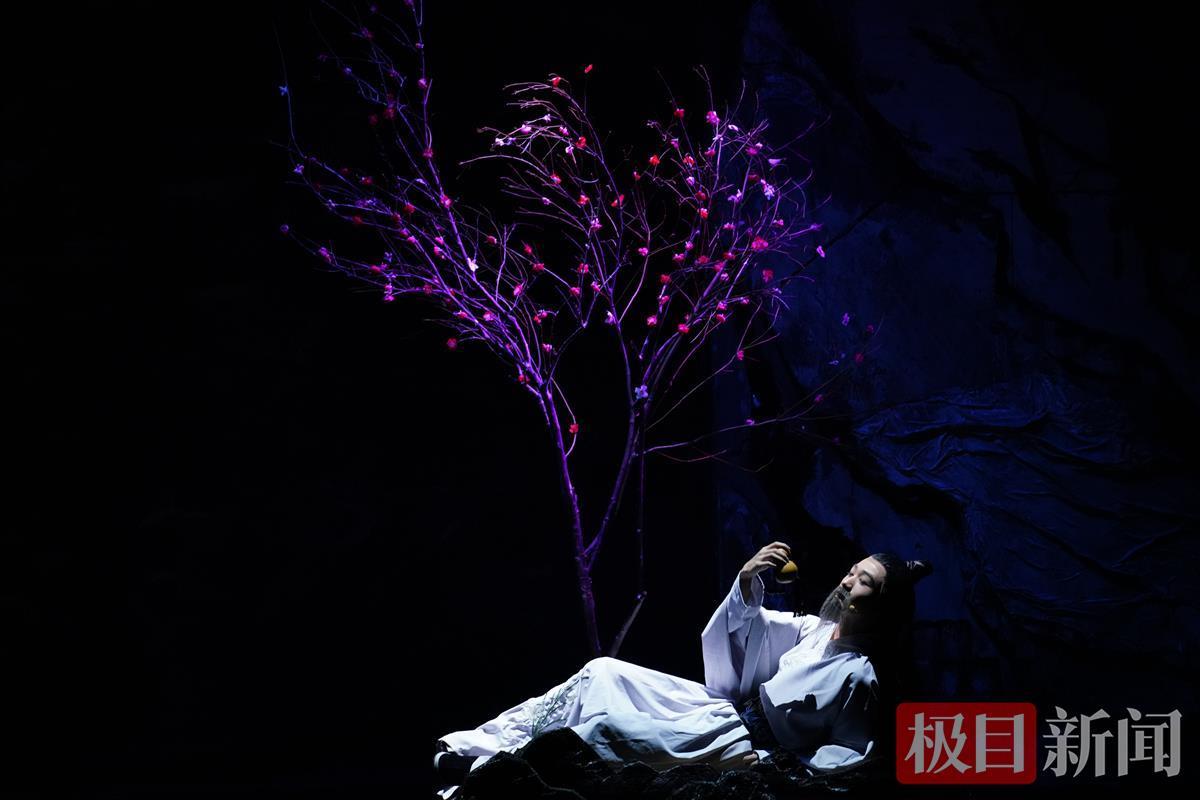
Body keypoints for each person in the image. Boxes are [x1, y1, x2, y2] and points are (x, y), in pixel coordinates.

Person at [433, 542, 932, 793]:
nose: (846, 581)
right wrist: (746, 582)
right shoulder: (817, 632)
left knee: (608, 731)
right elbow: (752, 626)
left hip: (739, 745)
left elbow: (849, 755)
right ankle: (483, 745)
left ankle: (485, 775)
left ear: (882, 605)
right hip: (721, 713)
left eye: (863, 581)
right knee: (603, 672)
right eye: (852, 571)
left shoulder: (860, 676)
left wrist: (780, 766)